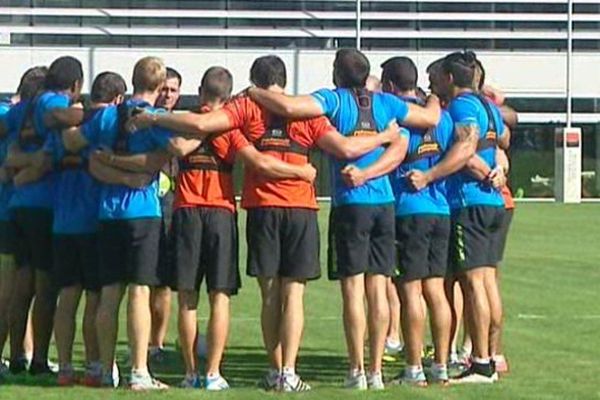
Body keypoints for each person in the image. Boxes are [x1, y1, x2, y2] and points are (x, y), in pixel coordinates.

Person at [127, 53, 404, 392]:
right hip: (301, 208)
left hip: (262, 209)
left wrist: (154, 119)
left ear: (255, 82)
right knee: (294, 296)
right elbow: (344, 147)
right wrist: (384, 137)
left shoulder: (246, 107)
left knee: (269, 295)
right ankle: (290, 371)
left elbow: (202, 124)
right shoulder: (309, 112)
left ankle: (274, 371)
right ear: (284, 82)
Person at [244, 48, 440, 390]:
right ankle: (376, 372)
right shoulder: (385, 103)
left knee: (353, 291)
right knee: (378, 290)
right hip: (385, 204)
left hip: (351, 204)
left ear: (337, 73)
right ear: (366, 76)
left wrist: (254, 92)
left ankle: (357, 371)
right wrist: (436, 95)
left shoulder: (334, 101)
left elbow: (289, 107)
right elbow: (429, 120)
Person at [173, 66, 321, 391]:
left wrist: (157, 118)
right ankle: (224, 373)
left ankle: (191, 373)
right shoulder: (295, 114)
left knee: (192, 297)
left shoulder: (226, 115)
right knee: (225, 295)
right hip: (231, 211)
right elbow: (257, 160)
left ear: (199, 90)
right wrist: (303, 173)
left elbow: (179, 147)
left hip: (195, 210)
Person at [59, 56, 199, 390]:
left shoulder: (107, 114)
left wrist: (106, 157)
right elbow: (177, 148)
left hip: (107, 213)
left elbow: (72, 142)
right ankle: (139, 371)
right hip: (142, 213)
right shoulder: (157, 118)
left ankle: (106, 371)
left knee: (109, 293)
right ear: (160, 84)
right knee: (139, 291)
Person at [377, 56, 476, 386]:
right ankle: (442, 366)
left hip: (409, 209)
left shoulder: (395, 112)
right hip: (441, 210)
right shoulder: (444, 118)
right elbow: (463, 148)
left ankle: (413, 368)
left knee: (410, 291)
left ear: (390, 85)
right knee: (437, 290)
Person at [44, 72, 127, 387]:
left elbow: (46, 158)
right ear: (118, 99)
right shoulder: (106, 123)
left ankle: (65, 367)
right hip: (94, 221)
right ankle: (95, 365)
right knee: (96, 296)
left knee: (67, 295)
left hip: (62, 221)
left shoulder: (62, 130)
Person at [5, 56, 86, 376]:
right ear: (76, 85)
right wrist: (101, 114)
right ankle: (38, 358)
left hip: (19, 204)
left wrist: (16, 162)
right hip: (45, 205)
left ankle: (17, 357)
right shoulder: (53, 101)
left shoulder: (22, 107)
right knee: (45, 286)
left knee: (21, 285)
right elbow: (58, 116)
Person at [435, 51, 510, 384]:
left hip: (470, 201)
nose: (432, 83)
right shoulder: (490, 108)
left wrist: (431, 175)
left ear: (450, 79)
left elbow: (466, 149)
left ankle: (480, 363)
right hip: (493, 203)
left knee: (473, 283)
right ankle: (491, 355)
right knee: (489, 282)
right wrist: (498, 173)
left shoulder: (462, 107)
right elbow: (500, 148)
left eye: (436, 76)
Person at [0, 66, 48, 377]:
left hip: (13, 211)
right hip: (12, 212)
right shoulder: (16, 118)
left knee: (19, 288)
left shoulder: (12, 118)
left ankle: (22, 354)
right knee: (12, 290)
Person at [148, 66, 182, 363]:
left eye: (173, 90)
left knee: (164, 283)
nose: (167, 94)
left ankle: (155, 344)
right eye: (163, 89)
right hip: (141, 209)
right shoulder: (143, 122)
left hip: (172, 211)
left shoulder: (185, 124)